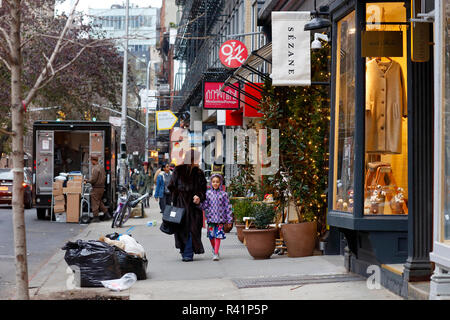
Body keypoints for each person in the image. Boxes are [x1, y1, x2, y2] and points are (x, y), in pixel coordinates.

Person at [167, 149, 207, 262]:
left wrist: (199, 196)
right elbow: (171, 186)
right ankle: (185, 251)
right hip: (180, 206)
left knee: (192, 229)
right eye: (197, 159)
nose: (198, 161)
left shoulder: (199, 173)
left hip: (194, 207)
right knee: (182, 229)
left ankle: (188, 253)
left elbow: (203, 190)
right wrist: (178, 196)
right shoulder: (178, 170)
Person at [193, 174, 232, 261]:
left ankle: (215, 253)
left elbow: (228, 207)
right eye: (213, 182)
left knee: (218, 236)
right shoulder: (208, 194)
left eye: (217, 182)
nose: (215, 183)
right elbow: (204, 206)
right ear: (211, 183)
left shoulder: (224, 194)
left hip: (220, 220)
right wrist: (198, 203)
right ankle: (215, 249)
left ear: (220, 183)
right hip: (210, 219)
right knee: (211, 237)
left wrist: (229, 220)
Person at [85, 155, 107, 223]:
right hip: (101, 188)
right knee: (98, 201)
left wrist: (87, 180)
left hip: (96, 188)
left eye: (91, 161)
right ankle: (106, 214)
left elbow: (93, 180)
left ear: (93, 160)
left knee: (94, 202)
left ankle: (96, 217)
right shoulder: (101, 167)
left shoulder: (95, 168)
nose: (91, 162)